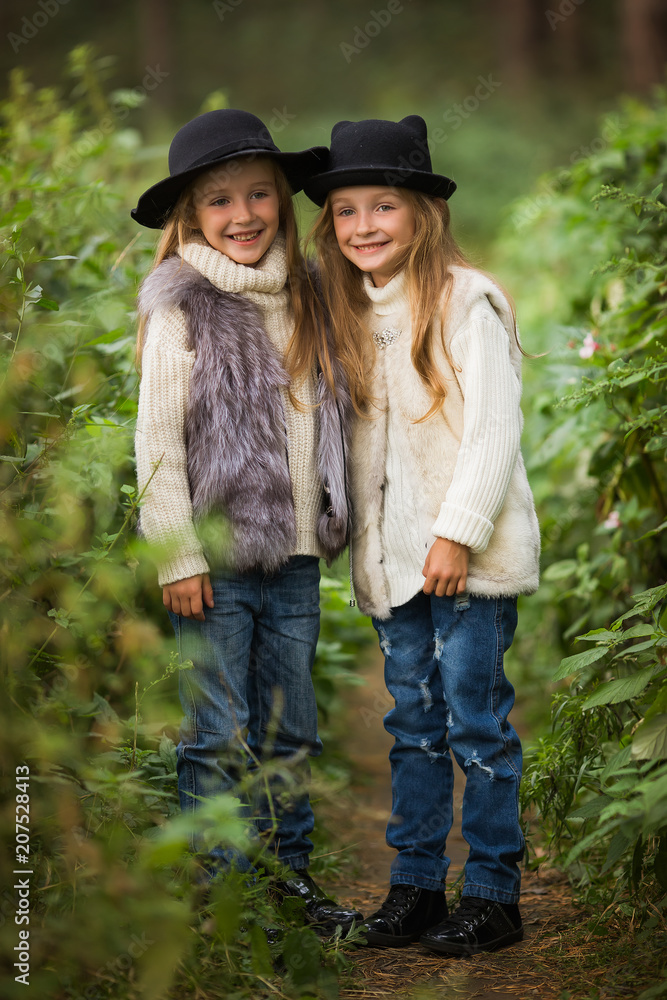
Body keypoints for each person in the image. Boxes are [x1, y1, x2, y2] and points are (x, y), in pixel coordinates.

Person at [304, 116, 540, 955]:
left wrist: (458, 534)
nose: (364, 226)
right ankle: (414, 887)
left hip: (462, 561)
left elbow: (491, 433)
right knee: (411, 726)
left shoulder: (463, 299)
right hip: (391, 562)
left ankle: (493, 893)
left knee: (475, 723)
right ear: (329, 226)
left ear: (422, 214)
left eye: (384, 207)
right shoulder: (346, 309)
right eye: (345, 212)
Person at [131, 109, 361, 933]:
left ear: (282, 203)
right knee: (219, 731)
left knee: (291, 729)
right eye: (220, 200)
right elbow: (156, 439)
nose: (244, 214)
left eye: (260, 194)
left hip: (295, 560)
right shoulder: (182, 308)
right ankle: (220, 891)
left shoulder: (306, 297)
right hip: (216, 560)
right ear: (191, 216)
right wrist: (177, 557)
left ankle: (287, 882)